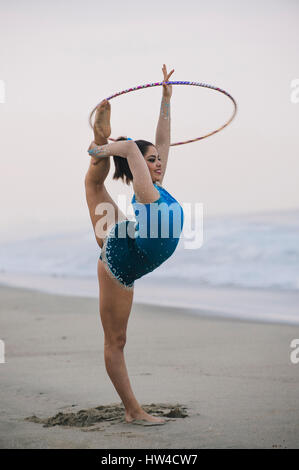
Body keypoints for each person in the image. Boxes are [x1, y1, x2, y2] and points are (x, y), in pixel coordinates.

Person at [85, 65, 183, 425]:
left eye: (158, 159)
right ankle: (133, 411)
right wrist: (105, 147)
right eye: (151, 160)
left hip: (125, 240)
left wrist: (166, 99)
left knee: (95, 189)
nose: (158, 163)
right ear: (140, 167)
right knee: (117, 341)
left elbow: (163, 140)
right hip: (119, 263)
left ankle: (99, 150)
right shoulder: (145, 192)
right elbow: (130, 149)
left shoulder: (156, 183)